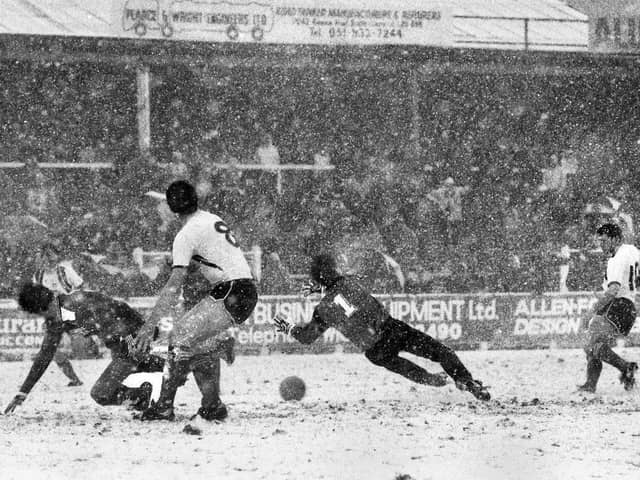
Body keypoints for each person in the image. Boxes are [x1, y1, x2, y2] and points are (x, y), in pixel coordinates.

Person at [273, 253, 491, 401]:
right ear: (334, 269)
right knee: (439, 352)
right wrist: (320, 286)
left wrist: (288, 327)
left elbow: (307, 337)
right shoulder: (351, 281)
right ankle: (465, 380)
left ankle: (431, 380)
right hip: (391, 329)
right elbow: (338, 281)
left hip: (374, 350)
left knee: (405, 368)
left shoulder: (323, 309)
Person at [133, 180, 258, 421]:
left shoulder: (185, 235)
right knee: (194, 344)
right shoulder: (210, 218)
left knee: (178, 339)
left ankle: (163, 407)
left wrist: (150, 326)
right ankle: (212, 406)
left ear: (171, 208)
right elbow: (214, 258)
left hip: (230, 291)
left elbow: (173, 286)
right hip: (243, 290)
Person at [4, 283, 166, 414]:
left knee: (101, 394)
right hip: (123, 343)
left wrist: (133, 342)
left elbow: (120, 310)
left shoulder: (78, 303)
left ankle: (152, 375)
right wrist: (23, 392)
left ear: (45, 308)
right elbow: (45, 355)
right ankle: (149, 382)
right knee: (106, 391)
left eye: (43, 315)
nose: (48, 320)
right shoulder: (56, 317)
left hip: (134, 338)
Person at [577, 223, 639, 393]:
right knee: (592, 343)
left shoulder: (616, 259)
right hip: (628, 307)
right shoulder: (632, 250)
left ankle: (625, 367)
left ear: (616, 239)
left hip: (618, 305)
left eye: (604, 241)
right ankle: (591, 383)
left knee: (592, 344)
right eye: (599, 241)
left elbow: (613, 290)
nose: (601, 245)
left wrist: (592, 311)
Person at [32, 241, 88, 387]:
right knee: (54, 351)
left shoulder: (65, 270)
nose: (47, 259)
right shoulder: (38, 276)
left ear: (56, 256)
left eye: (50, 255)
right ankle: (74, 379)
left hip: (69, 313)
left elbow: (82, 288)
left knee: (80, 346)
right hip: (52, 317)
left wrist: (73, 303)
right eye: (44, 255)